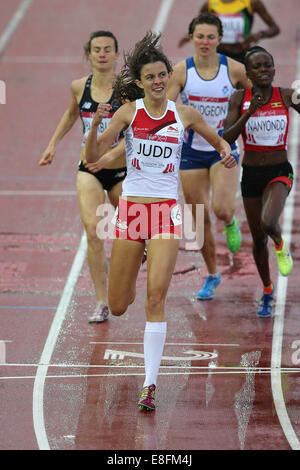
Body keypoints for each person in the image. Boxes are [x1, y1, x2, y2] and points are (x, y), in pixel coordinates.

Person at [84, 32, 236, 411]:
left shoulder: (182, 114)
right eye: (149, 77)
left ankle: (149, 387)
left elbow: (216, 140)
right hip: (132, 212)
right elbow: (93, 155)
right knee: (119, 306)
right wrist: (94, 127)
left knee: (157, 298)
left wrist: (225, 152)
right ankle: (136, 262)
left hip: (166, 213)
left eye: (162, 75)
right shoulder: (128, 113)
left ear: (168, 76)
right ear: (138, 82)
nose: (157, 81)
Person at [39, 31, 127, 323]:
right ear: (88, 55)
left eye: (107, 50)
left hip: (120, 168)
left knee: (133, 232)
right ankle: (102, 301)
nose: (101, 54)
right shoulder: (79, 87)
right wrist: (52, 144)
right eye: (96, 49)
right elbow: (70, 114)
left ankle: (131, 269)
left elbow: (137, 132)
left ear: (117, 55)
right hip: (89, 167)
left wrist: (110, 157)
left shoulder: (127, 89)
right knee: (93, 232)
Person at [168, 13, 249, 300]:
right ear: (191, 38)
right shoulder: (180, 72)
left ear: (219, 39)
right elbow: (164, 109)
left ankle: (229, 223)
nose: (205, 42)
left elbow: (258, 98)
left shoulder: (235, 70)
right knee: (198, 217)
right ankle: (212, 274)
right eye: (199, 36)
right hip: (190, 153)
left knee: (222, 208)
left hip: (223, 149)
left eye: (210, 37)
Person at [223, 46, 298, 317]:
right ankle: (267, 290)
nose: (264, 70)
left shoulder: (286, 96)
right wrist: (249, 112)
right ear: (248, 72)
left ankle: (279, 242)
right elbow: (228, 138)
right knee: (256, 240)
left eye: (268, 65)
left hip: (279, 171)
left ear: (275, 70)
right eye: (257, 66)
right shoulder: (238, 98)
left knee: (268, 223)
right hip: (251, 175)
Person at [178, 0, 280, 63]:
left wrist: (260, 34)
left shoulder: (251, 3)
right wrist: (188, 35)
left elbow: (275, 28)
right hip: (218, 56)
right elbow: (198, 26)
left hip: (242, 56)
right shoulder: (210, 4)